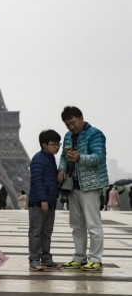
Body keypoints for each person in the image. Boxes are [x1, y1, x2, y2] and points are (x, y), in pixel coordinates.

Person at [58, 106, 108, 271]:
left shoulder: (95, 134)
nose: (71, 127)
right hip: (73, 186)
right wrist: (62, 169)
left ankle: (95, 258)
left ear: (81, 117)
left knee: (93, 224)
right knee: (76, 225)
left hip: (90, 185)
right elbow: (64, 157)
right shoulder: (68, 136)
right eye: (68, 125)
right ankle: (79, 257)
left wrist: (80, 158)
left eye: (73, 123)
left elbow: (99, 157)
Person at [27, 129, 63, 271]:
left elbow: (49, 180)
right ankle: (34, 259)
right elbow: (37, 180)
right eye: (54, 144)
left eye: (58, 144)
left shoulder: (50, 159)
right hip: (39, 203)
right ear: (44, 145)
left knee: (47, 232)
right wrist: (43, 199)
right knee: (36, 232)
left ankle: (46, 258)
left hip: (50, 201)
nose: (57, 147)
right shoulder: (38, 159)